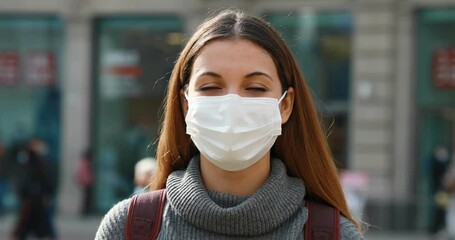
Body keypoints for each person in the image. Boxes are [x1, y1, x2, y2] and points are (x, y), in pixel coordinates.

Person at [95, 9, 363, 239]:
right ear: (186, 104)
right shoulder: (127, 228)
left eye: (256, 88)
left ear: (285, 105)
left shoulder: (335, 234)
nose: (231, 104)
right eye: (211, 87)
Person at [11, 138, 56, 240]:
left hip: (35, 199)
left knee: (39, 226)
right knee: (35, 226)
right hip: (33, 199)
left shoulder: (41, 160)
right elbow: (26, 178)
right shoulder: (31, 160)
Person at [75, 149, 94, 216]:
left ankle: (85, 210)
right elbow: (82, 173)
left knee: (86, 197)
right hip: (87, 182)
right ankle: (85, 210)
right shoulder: (86, 163)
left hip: (86, 182)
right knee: (86, 197)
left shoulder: (83, 162)